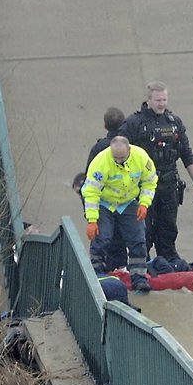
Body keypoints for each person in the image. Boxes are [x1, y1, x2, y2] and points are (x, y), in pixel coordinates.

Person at [118, 82, 193, 261]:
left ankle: (169, 262)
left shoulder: (174, 123)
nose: (162, 104)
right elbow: (118, 153)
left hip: (168, 184)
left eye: (165, 99)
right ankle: (141, 262)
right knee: (144, 230)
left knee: (168, 228)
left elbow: (187, 154)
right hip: (143, 187)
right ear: (148, 99)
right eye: (158, 100)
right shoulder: (134, 123)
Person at [82, 136, 157, 292]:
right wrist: (92, 220)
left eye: (122, 158)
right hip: (105, 203)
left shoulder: (141, 158)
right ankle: (97, 273)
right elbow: (90, 192)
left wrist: (144, 203)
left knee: (137, 237)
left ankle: (139, 277)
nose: (119, 162)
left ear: (129, 150)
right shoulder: (100, 162)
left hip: (128, 202)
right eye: (116, 158)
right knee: (103, 237)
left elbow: (150, 181)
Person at [84, 108, 128, 270]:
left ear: (105, 125)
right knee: (120, 240)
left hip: (102, 204)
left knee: (102, 238)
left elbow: (88, 181)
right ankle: (121, 270)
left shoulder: (98, 149)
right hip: (124, 201)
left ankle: (99, 270)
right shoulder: (128, 148)